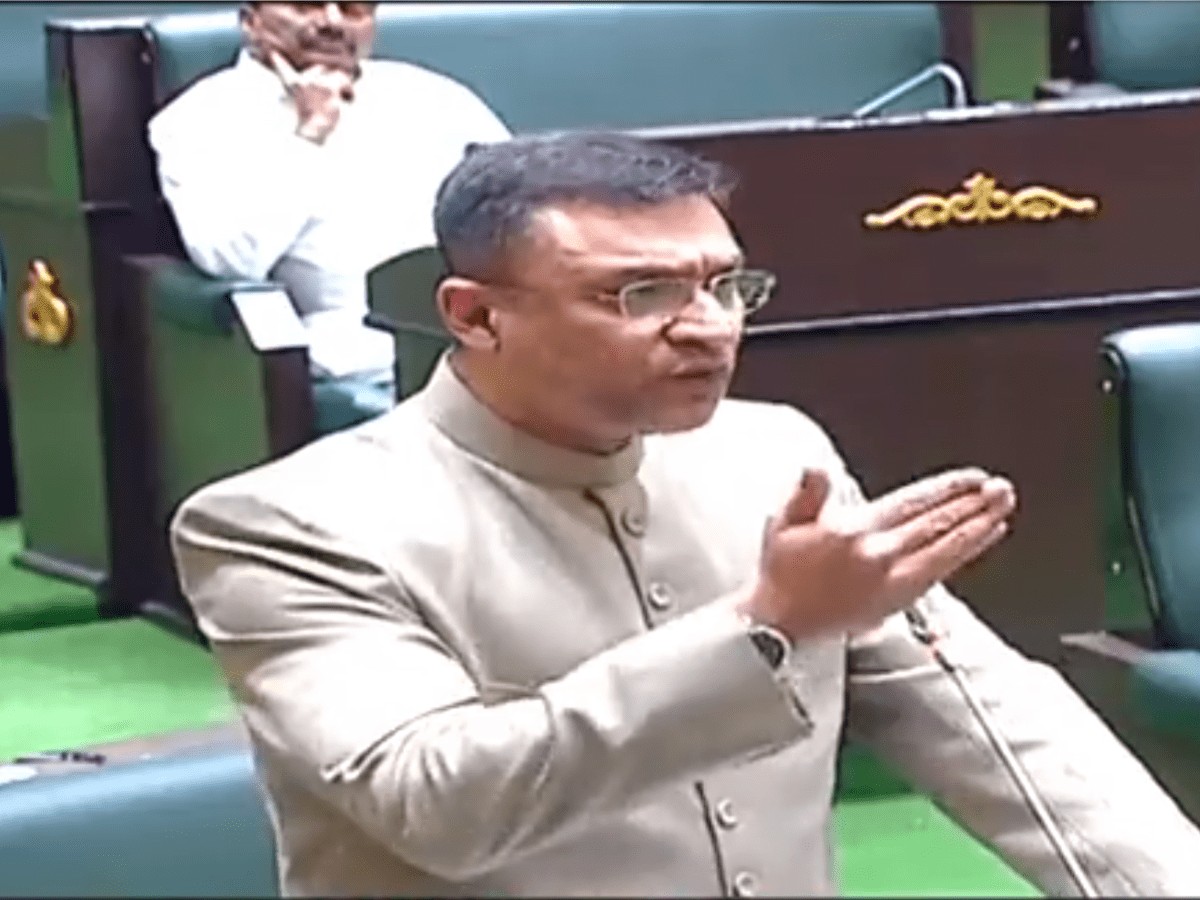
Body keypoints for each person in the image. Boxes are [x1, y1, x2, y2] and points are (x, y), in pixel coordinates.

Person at [171, 131, 1200, 897]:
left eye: (726, 285)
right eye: (641, 295)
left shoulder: (773, 454)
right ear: (476, 315)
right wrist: (768, 626)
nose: (709, 328)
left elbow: (991, 722)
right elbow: (435, 802)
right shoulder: (291, 525)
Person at [148, 1, 511, 428]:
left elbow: (521, 199)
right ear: (251, 21)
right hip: (364, 347)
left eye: (354, 9)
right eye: (307, 5)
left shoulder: (432, 96)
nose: (333, 23)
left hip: (489, 324)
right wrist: (310, 135)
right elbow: (231, 259)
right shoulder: (202, 118)